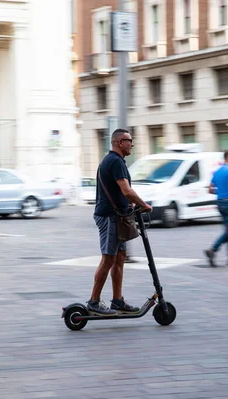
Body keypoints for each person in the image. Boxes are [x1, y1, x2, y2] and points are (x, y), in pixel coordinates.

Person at [88, 129, 152, 315]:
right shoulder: (115, 161)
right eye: (129, 140)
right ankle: (93, 302)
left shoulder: (113, 161)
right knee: (108, 258)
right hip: (110, 217)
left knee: (120, 258)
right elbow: (126, 190)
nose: (132, 144)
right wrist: (144, 205)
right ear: (118, 142)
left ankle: (117, 300)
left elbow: (120, 191)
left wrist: (131, 204)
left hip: (118, 216)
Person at [204, 150, 228, 267]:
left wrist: (219, 191)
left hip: (219, 203)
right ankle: (213, 250)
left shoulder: (216, 171)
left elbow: (210, 189)